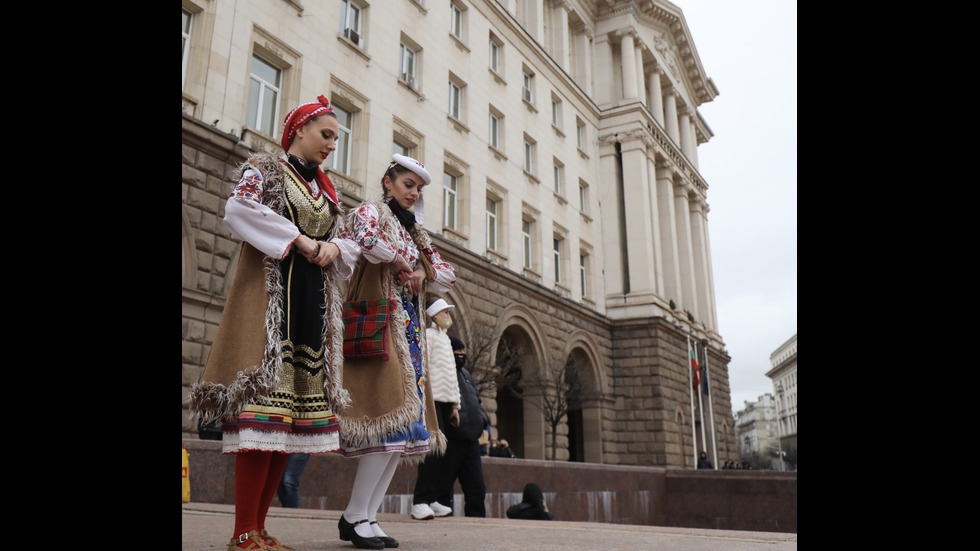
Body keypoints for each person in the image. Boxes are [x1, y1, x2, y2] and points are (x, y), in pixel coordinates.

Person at [189, 95, 359, 551]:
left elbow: (345, 242)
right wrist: (301, 239)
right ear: (299, 130)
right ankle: (242, 530)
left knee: (287, 428)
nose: (331, 146)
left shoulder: (326, 189)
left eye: (336, 139)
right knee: (261, 421)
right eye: (326, 134)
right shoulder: (263, 170)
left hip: (309, 313)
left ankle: (260, 529)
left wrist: (335, 249)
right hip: (270, 309)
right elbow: (240, 212)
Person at [335, 153, 456, 550]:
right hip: (379, 324)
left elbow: (448, 273)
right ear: (388, 182)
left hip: (408, 335)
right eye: (408, 184)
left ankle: (367, 515)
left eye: (418, 189)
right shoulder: (372, 211)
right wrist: (404, 262)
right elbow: (367, 241)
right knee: (384, 419)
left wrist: (421, 270)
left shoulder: (417, 232)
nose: (413, 192)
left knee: (402, 434)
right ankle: (355, 515)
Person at [410, 298, 461, 520]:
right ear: (433, 315)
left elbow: (453, 377)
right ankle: (420, 501)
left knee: (442, 454)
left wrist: (456, 406)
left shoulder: (446, 340)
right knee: (431, 452)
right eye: (444, 312)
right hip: (432, 401)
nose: (447, 315)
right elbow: (422, 368)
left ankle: (431, 499)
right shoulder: (428, 336)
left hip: (446, 401)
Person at [435, 336, 489, 517]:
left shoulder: (467, 375)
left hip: (472, 442)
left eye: (463, 352)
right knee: (442, 489)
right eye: (457, 351)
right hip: (452, 440)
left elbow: (478, 401)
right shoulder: (443, 373)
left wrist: (483, 419)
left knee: (477, 490)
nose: (461, 355)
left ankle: (477, 525)